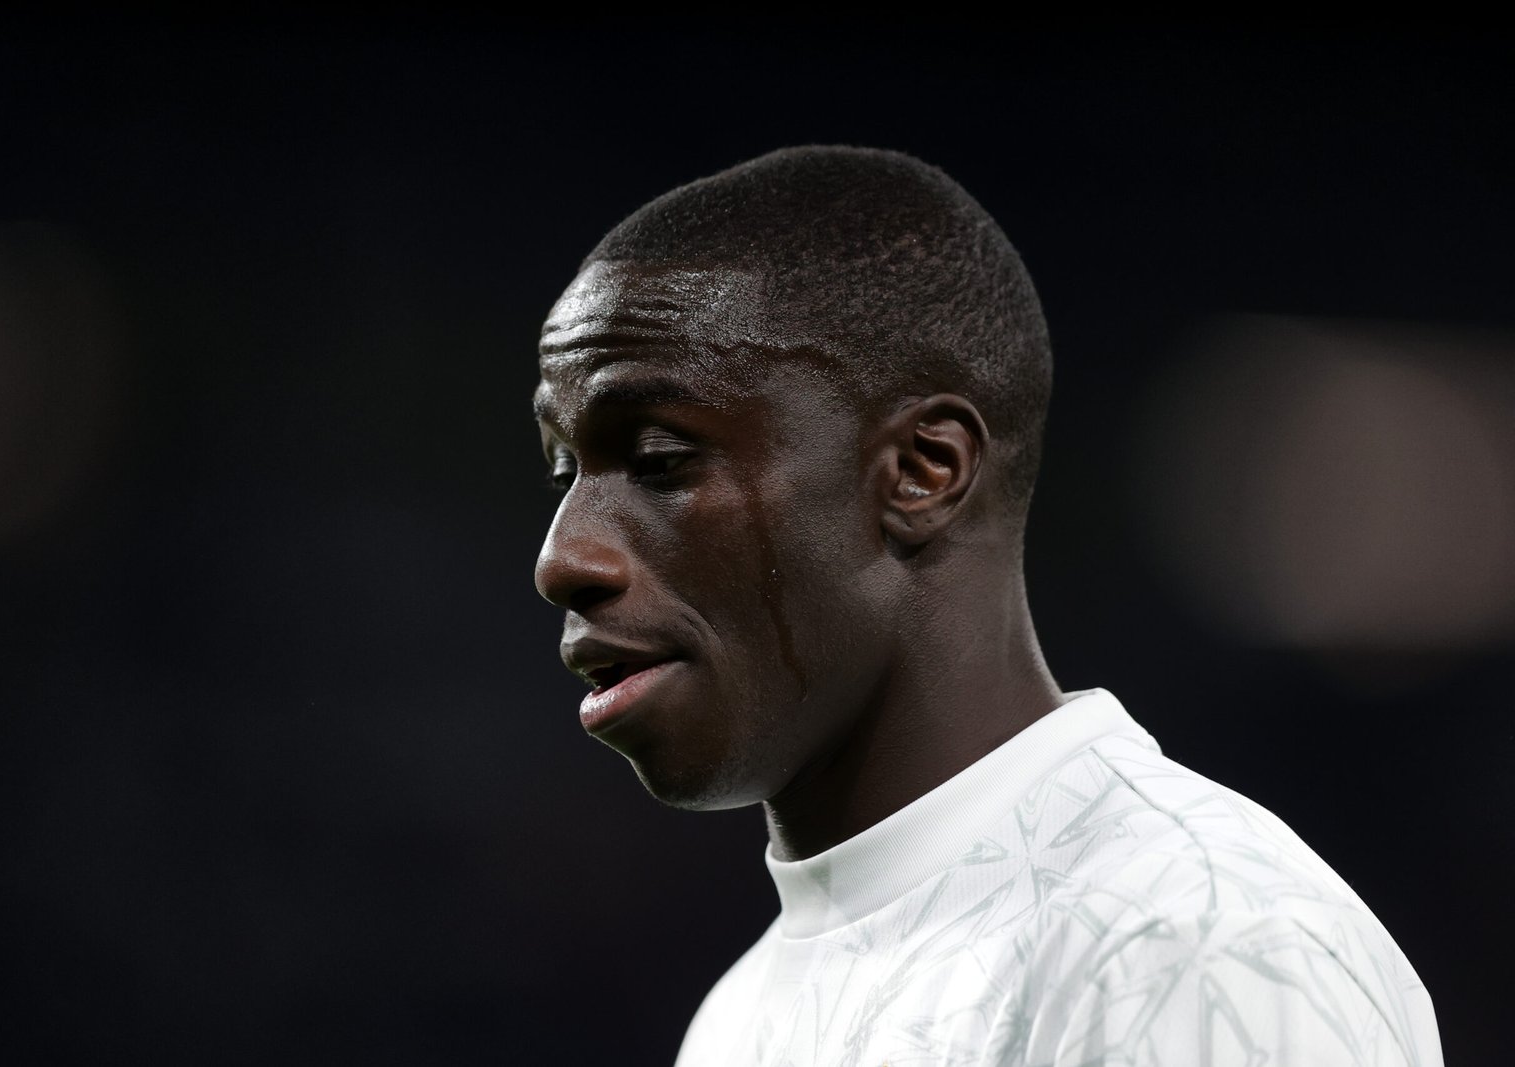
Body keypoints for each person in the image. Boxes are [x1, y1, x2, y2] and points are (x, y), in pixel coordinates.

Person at [531, 146, 1442, 1066]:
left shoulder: (1191, 939)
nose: (563, 559)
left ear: (924, 472)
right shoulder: (739, 1020)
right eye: (563, 473)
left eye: (657, 459)